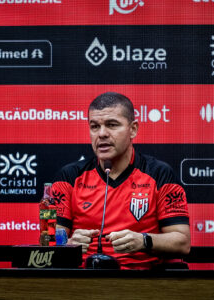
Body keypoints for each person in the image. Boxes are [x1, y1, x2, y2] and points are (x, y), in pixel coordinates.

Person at [51, 92, 190, 270]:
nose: (101, 134)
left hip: (142, 282)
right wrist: (68, 244)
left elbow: (182, 242)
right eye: (94, 126)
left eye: (112, 125)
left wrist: (144, 240)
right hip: (82, 281)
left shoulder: (159, 173)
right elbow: (49, 241)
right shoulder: (68, 176)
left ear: (133, 129)